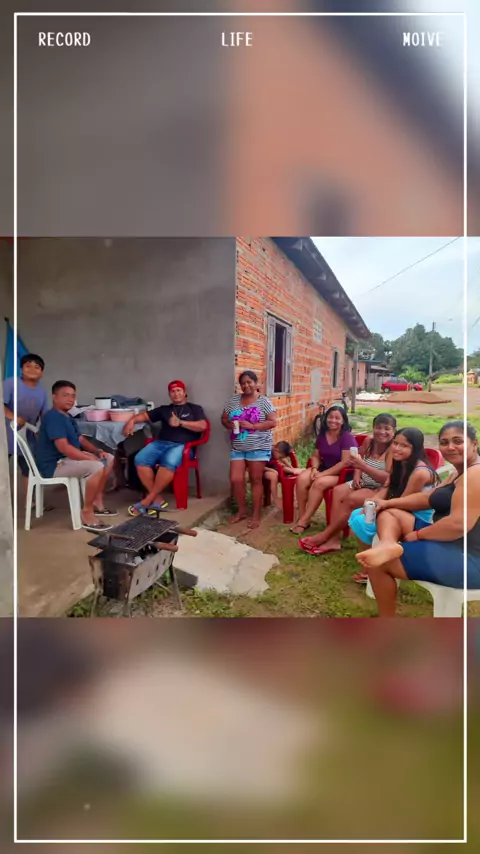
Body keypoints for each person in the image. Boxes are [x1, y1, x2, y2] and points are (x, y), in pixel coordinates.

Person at [355, 421, 480, 616]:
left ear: (474, 443)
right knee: (390, 513)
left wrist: (419, 535)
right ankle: (387, 544)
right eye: (444, 442)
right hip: (450, 541)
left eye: (458, 441)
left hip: (469, 556)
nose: (450, 447)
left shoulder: (475, 474)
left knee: (379, 563)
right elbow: (427, 498)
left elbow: (457, 524)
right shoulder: (459, 471)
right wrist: (387, 503)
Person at [349, 426, 438, 583]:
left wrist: (380, 507)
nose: (397, 448)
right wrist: (372, 501)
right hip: (397, 508)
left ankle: (373, 567)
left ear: (415, 448)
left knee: (363, 522)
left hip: (414, 517)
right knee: (358, 514)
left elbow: (404, 503)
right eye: (395, 443)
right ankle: (371, 561)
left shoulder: (420, 473)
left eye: (404, 445)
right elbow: (386, 487)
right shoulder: (400, 463)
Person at [298, 413, 396, 555]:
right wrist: (357, 475)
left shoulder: (392, 449)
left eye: (387, 429)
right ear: (373, 428)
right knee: (337, 491)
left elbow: (387, 479)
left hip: (379, 488)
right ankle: (334, 539)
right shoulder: (369, 441)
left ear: (394, 431)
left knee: (350, 500)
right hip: (362, 481)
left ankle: (325, 536)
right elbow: (357, 459)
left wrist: (363, 467)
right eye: (378, 427)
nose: (382, 432)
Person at [35, 381, 116, 531]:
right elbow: (64, 448)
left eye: (73, 396)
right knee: (96, 466)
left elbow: (80, 439)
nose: (70, 399)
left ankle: (97, 501)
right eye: (65, 395)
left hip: (67, 459)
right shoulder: (53, 417)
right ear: (54, 397)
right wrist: (90, 458)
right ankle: (87, 512)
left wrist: (97, 451)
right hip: (54, 464)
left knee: (108, 458)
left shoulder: (67, 416)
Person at [123, 380, 207, 516]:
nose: (176, 393)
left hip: (183, 446)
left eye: (179, 390)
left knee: (168, 461)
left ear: (184, 393)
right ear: (169, 394)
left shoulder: (195, 409)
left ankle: (148, 500)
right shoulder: (164, 410)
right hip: (161, 443)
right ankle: (157, 500)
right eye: (173, 391)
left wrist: (181, 423)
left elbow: (203, 426)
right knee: (140, 459)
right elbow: (143, 416)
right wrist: (131, 421)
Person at [221, 370, 277, 528]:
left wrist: (253, 426)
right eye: (243, 383)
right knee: (236, 479)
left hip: (258, 447)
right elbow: (223, 419)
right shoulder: (233, 401)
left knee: (255, 480)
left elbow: (272, 422)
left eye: (249, 382)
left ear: (255, 383)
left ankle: (256, 514)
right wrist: (230, 424)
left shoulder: (264, 402)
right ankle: (242, 511)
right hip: (238, 447)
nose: (246, 385)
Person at [290, 405, 356, 535]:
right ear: (326, 418)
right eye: (330, 417)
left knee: (319, 483)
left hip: (343, 473)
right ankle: (303, 516)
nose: (333, 420)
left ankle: (304, 521)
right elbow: (315, 456)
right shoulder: (322, 435)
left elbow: (345, 463)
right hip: (324, 468)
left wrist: (322, 474)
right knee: (302, 479)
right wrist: (315, 469)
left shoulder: (347, 437)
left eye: (337, 418)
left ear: (343, 421)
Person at [3, 353, 48, 485]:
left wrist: (44, 432)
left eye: (37, 367)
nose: (32, 369)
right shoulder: (10, 383)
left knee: (29, 470)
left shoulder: (42, 392)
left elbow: (44, 415)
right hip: (4, 435)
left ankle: (31, 498)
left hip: (27, 437)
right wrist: (14, 417)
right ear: (21, 369)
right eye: (28, 366)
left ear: (42, 372)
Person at [263, 440, 304, 510]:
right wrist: (272, 470)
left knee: (281, 468)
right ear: (276, 450)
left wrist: (291, 468)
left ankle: (295, 500)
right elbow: (258, 466)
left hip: (270, 467)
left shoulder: (276, 452)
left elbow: (284, 460)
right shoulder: (266, 452)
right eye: (280, 457)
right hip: (260, 470)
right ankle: (276, 499)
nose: (280, 458)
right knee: (275, 472)